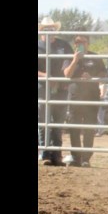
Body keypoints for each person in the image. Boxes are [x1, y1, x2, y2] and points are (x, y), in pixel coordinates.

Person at [61, 35, 102, 167]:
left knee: (89, 129)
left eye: (82, 42)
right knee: (74, 128)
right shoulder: (70, 57)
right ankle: (76, 157)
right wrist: (75, 60)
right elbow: (67, 74)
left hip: (92, 97)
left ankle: (86, 158)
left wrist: (92, 77)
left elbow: (104, 74)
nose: (79, 44)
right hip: (75, 97)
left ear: (88, 43)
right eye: (77, 42)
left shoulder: (95, 57)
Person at [38, 17, 73, 166]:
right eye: (46, 28)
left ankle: (57, 154)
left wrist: (60, 78)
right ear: (41, 31)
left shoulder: (63, 45)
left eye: (52, 28)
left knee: (58, 121)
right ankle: (45, 152)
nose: (49, 31)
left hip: (61, 88)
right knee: (43, 120)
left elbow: (68, 63)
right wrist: (46, 76)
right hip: (41, 87)